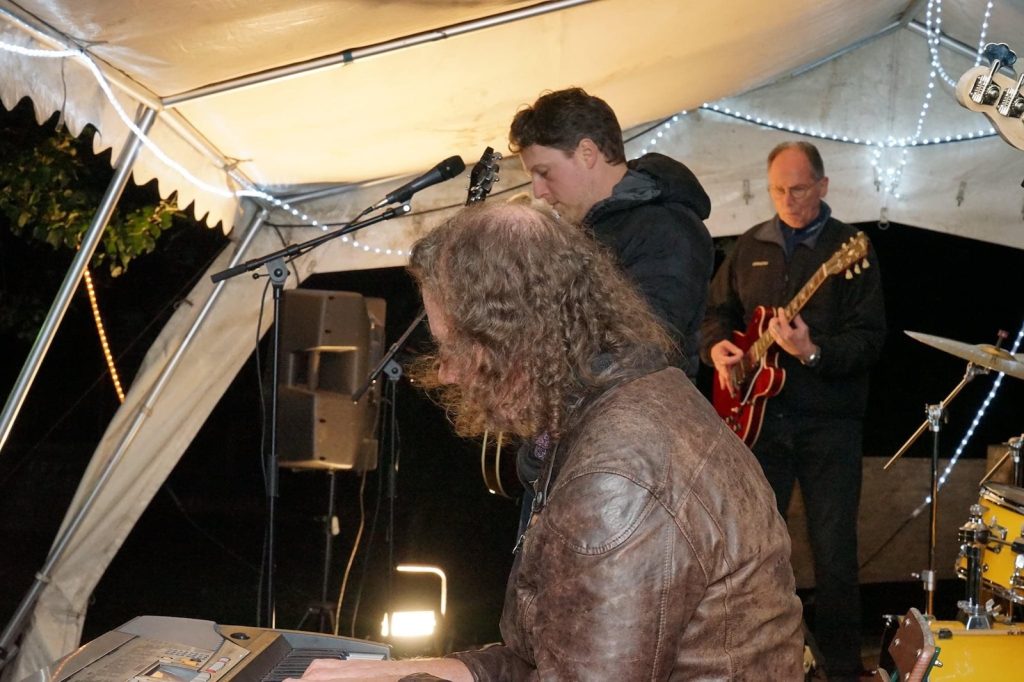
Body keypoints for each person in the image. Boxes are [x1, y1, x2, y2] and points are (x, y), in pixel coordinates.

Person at [293, 202, 804, 681]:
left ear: (514, 339)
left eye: (453, 347)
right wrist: (392, 672)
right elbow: (540, 657)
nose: (445, 372)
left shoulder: (615, 480)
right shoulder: (629, 395)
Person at [701, 141, 886, 682]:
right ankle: (763, 663)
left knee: (834, 552)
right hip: (759, 421)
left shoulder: (850, 250)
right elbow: (715, 314)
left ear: (823, 186)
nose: (787, 199)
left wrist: (812, 352)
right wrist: (715, 349)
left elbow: (870, 340)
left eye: (799, 189)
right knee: (757, 550)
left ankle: (843, 668)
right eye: (778, 189)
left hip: (830, 424)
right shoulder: (750, 245)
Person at [508, 86, 713, 379]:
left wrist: (552, 377)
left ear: (587, 153)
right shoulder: (584, 232)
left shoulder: (665, 228)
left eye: (544, 172)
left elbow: (644, 348)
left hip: (645, 406)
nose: (538, 191)